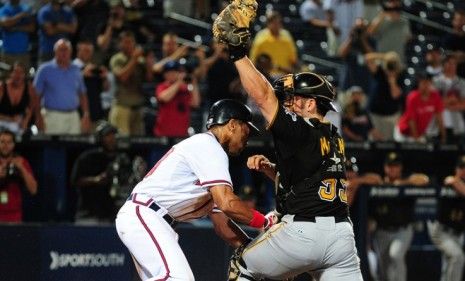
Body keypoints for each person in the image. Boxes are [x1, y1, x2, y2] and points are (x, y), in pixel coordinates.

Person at [216, 14, 363, 281]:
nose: (289, 103)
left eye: (294, 98)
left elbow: (262, 95)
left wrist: (238, 53)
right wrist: (273, 169)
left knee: (242, 264)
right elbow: (308, 180)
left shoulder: (301, 127)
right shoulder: (332, 135)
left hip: (303, 234)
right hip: (342, 237)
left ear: (311, 104)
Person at [115, 99, 276, 281]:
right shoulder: (209, 146)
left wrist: (250, 249)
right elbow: (228, 203)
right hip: (145, 215)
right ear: (232, 125)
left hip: (150, 219)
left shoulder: (209, 157)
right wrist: (265, 222)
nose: (246, 140)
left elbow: (223, 224)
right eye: (246, 131)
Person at [370, 152, 430, 281]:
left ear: (401, 167)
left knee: (396, 255)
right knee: (384, 267)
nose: (392, 168)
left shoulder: (407, 181)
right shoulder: (379, 182)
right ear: (385, 167)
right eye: (390, 165)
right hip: (382, 231)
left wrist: (401, 183)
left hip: (402, 230)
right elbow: (369, 179)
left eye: (396, 165)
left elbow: (424, 179)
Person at [70, 121, 142, 223]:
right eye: (107, 135)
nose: (112, 139)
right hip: (88, 214)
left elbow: (128, 183)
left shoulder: (122, 158)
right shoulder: (88, 157)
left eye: (113, 135)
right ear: (99, 138)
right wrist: (96, 180)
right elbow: (75, 180)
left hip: (112, 215)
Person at [32, 39, 91, 135]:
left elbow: (82, 94)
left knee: (73, 148)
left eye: (66, 50)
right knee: (53, 147)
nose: (64, 53)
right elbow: (35, 96)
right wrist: (38, 117)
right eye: (61, 50)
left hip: (73, 116)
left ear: (71, 52)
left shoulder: (76, 70)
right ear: (55, 51)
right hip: (52, 115)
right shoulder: (45, 69)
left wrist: (86, 115)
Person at [428, 155, 465, 281]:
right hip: (441, 230)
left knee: (448, 265)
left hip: (458, 233)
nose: (463, 171)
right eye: (461, 167)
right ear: (456, 169)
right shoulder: (451, 180)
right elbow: (451, 180)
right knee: (458, 257)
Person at [153, 60, 201, 137]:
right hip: (164, 134)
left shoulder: (185, 88)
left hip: (182, 134)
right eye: (169, 72)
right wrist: (179, 82)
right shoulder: (162, 86)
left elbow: (195, 103)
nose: (172, 74)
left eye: (175, 71)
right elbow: (164, 98)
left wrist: (194, 83)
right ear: (164, 74)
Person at [395, 71, 446, 143]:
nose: (426, 85)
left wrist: (444, 137)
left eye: (428, 82)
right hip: (404, 133)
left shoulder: (435, 96)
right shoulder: (413, 97)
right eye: (423, 83)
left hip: (419, 134)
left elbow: (439, 117)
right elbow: (411, 120)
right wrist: (416, 140)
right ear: (419, 83)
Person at [0, 129, 37, 222]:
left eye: (9, 142)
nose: (5, 146)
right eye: (2, 142)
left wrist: (22, 169)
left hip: (14, 214)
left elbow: (33, 190)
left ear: (13, 144)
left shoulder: (21, 161)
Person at [73, 40, 110, 129]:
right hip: (78, 115)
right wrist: (82, 74)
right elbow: (67, 88)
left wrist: (104, 77)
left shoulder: (94, 69)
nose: (88, 54)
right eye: (85, 50)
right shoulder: (71, 67)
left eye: (90, 51)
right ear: (78, 50)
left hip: (96, 114)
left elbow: (105, 88)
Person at [0, 62, 33, 136]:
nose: (18, 75)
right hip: (2, 121)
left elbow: (30, 110)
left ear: (24, 75)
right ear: (10, 74)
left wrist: (25, 121)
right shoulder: (2, 87)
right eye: (15, 72)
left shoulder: (29, 88)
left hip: (18, 125)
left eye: (21, 72)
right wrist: (9, 119)